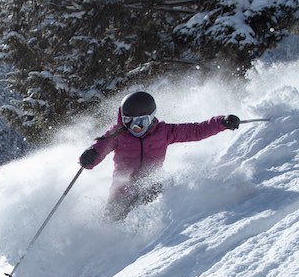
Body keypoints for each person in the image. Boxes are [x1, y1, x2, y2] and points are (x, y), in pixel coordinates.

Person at [79, 91, 240, 220]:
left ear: (150, 118)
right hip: (122, 191)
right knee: (112, 219)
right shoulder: (118, 133)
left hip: (152, 186)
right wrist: (90, 156)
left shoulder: (164, 132)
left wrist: (221, 123)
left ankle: (153, 241)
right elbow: (101, 146)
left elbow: (195, 130)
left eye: (139, 122)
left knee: (156, 191)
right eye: (128, 121)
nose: (134, 128)